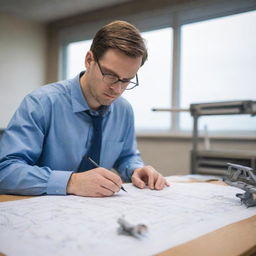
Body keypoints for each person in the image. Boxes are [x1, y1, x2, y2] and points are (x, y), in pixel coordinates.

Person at [0, 20, 169, 197]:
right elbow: (5, 171)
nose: (117, 89)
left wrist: (136, 169)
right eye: (110, 75)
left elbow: (126, 156)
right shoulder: (41, 103)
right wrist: (70, 182)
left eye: (126, 80)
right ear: (89, 60)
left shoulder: (123, 110)